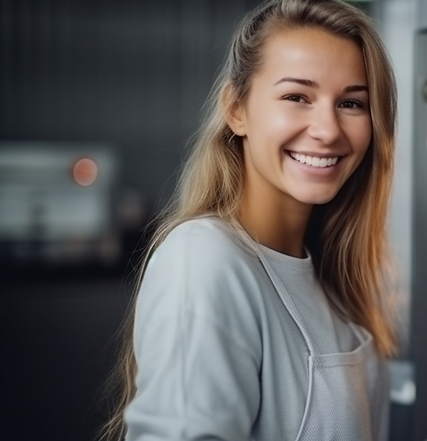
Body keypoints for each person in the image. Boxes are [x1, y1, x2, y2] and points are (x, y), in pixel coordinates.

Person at [99, 0, 398, 439]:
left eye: (352, 103)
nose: (329, 129)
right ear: (237, 110)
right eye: (297, 97)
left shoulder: (332, 277)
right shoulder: (204, 258)